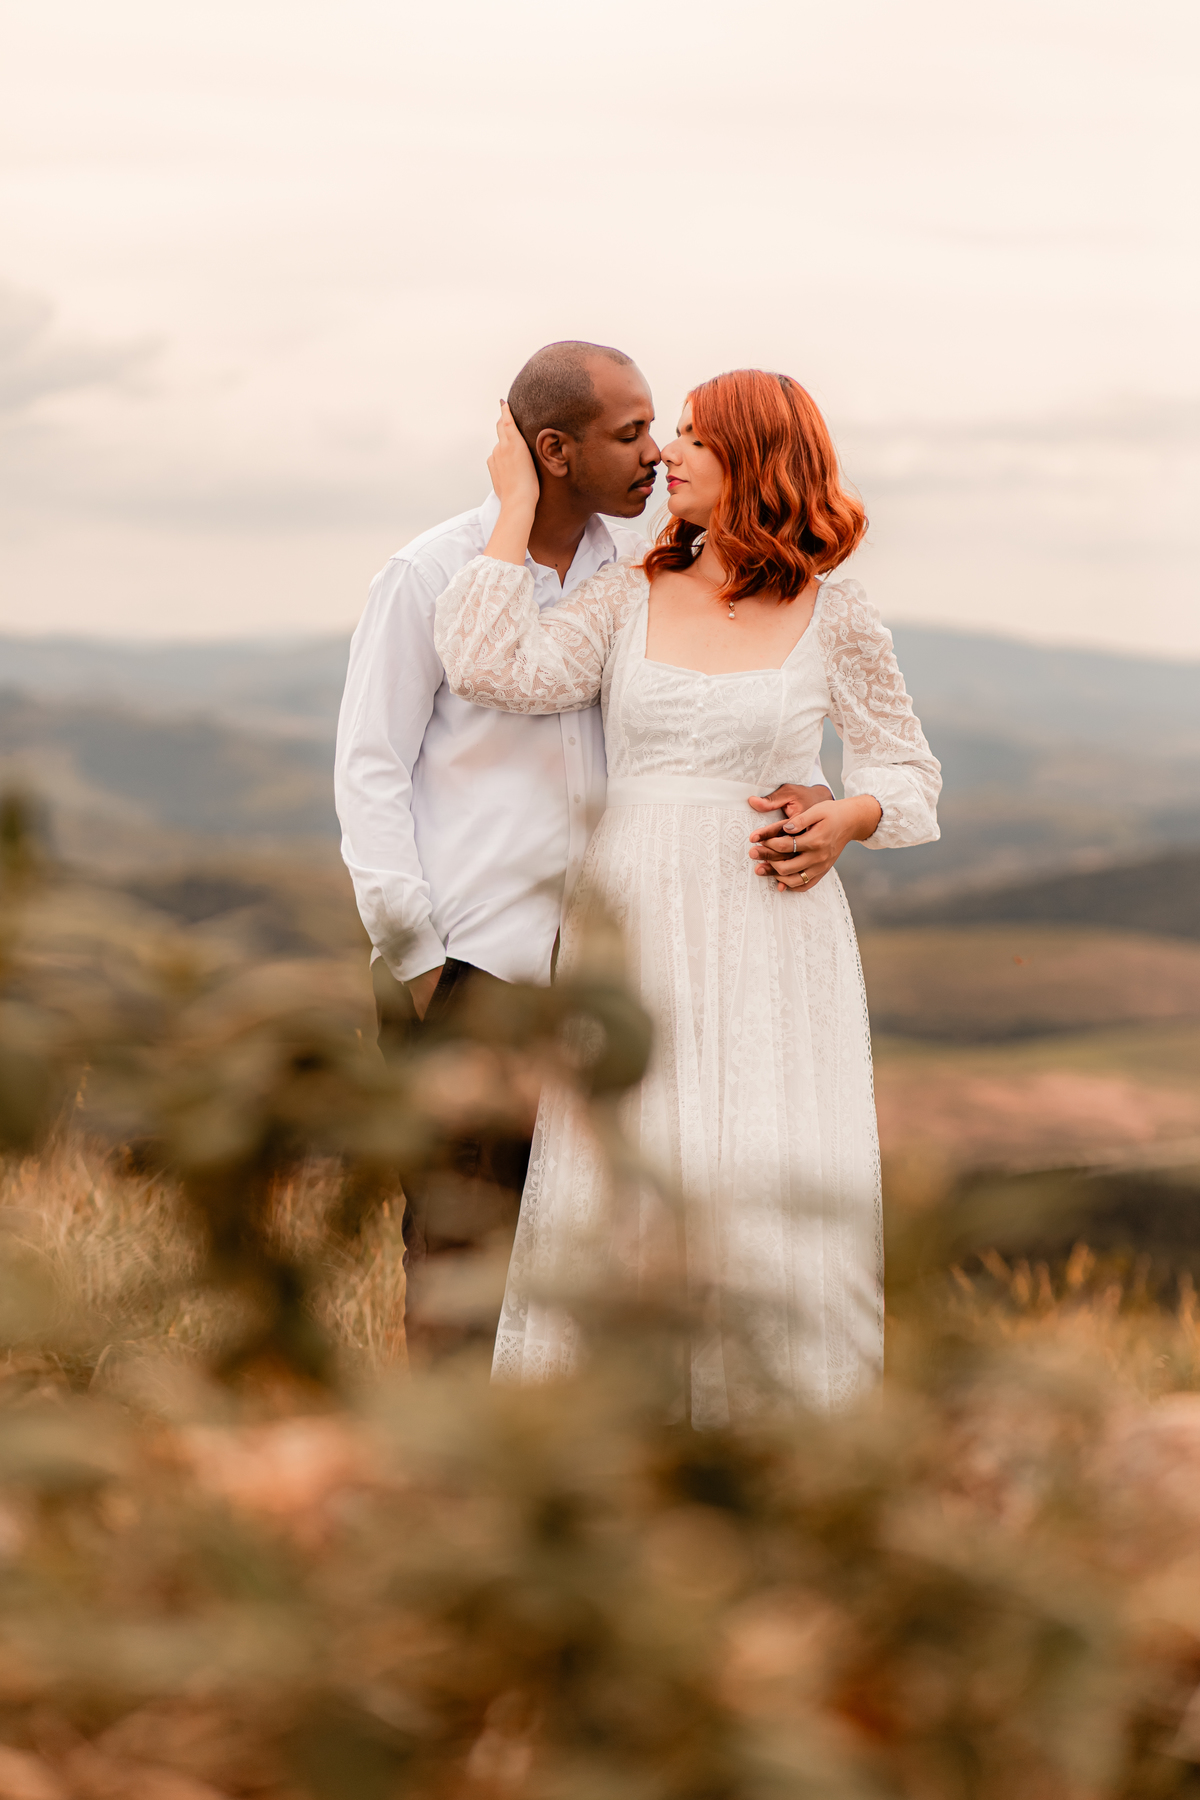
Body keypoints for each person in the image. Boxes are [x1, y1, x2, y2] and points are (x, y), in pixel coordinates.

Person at [432, 370, 942, 1421]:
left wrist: (845, 819)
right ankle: (610, 1431)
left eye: (696, 438)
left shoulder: (835, 613)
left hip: (772, 922)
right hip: (636, 920)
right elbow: (492, 665)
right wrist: (516, 506)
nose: (668, 453)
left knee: (765, 1164)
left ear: (757, 459)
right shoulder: (628, 593)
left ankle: (780, 1431)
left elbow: (907, 773)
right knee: (625, 1160)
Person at [334, 344, 831, 1270]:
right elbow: (370, 770)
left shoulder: (644, 576)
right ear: (553, 452)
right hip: (475, 969)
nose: (656, 453)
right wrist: (420, 963)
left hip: (620, 979)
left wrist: (819, 803)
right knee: (460, 1250)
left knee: (592, 1262)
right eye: (632, 432)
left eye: (660, 430)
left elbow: (713, 719)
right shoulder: (428, 571)